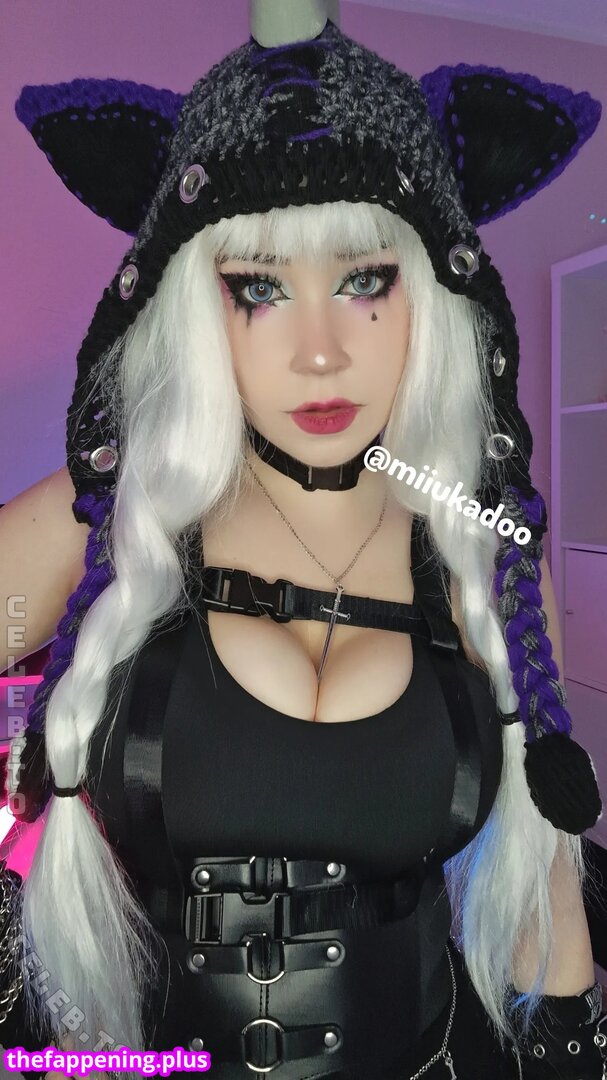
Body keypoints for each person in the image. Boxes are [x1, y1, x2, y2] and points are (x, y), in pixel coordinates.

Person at [1, 3, 605, 1078]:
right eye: (260, 287)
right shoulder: (117, 514)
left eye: (365, 281)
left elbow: (539, 875)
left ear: (432, 294)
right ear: (196, 307)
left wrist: (570, 1044)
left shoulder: (480, 540)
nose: (320, 352)